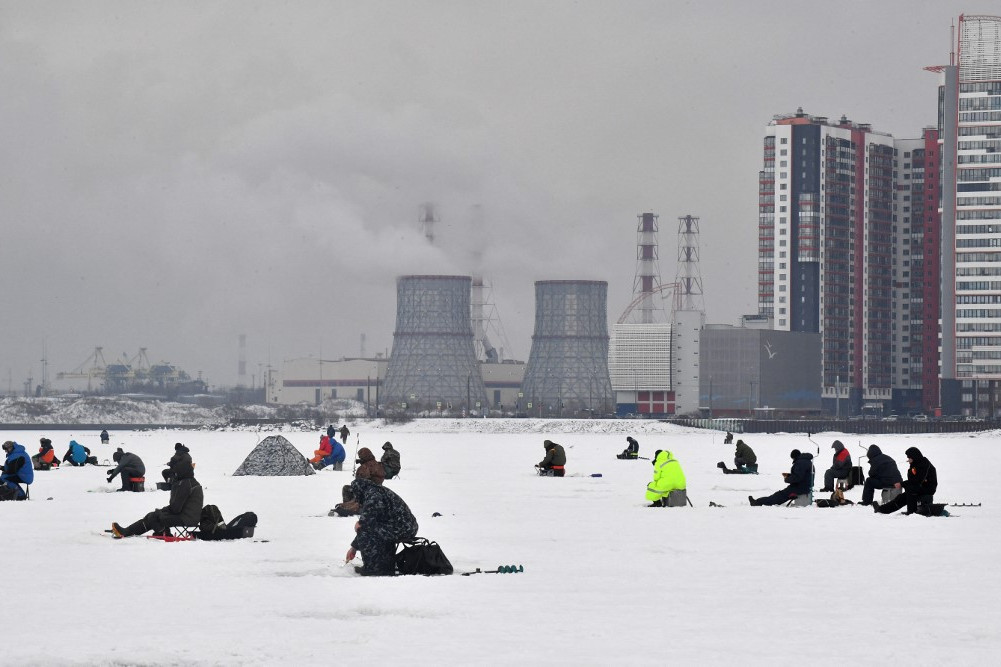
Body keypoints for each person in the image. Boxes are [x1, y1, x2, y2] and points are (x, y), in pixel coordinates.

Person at [111, 454, 203, 538]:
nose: (172, 472)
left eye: (174, 469)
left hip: (186, 518)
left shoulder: (184, 484)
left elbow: (175, 509)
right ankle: (128, 531)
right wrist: (163, 510)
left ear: (180, 469)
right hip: (188, 516)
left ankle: (162, 532)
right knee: (153, 516)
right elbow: (176, 507)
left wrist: (161, 512)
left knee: (154, 517)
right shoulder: (188, 481)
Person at [344, 478, 418, 576]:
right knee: (373, 529)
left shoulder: (373, 495)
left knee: (364, 529)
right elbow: (372, 522)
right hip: (402, 527)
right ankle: (385, 566)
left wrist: (354, 544)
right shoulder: (374, 490)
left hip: (403, 528)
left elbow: (366, 523)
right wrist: (353, 548)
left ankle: (373, 568)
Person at [875, 447, 939, 515]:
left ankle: (911, 512)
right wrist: (912, 466)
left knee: (910, 489)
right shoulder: (916, 464)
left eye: (909, 458)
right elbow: (912, 479)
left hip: (928, 488)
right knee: (901, 497)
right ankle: (882, 509)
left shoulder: (924, 464)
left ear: (914, 457)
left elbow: (917, 481)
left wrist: (901, 484)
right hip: (919, 487)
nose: (908, 460)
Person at [332, 447, 386, 516]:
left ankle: (349, 506)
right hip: (378, 490)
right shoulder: (379, 464)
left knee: (346, 488)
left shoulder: (364, 467)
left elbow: (358, 483)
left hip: (365, 492)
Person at [749, 449, 814, 506]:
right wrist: (790, 476)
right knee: (780, 494)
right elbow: (801, 475)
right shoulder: (806, 461)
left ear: (794, 457)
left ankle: (758, 502)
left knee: (779, 496)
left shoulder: (800, 463)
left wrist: (787, 478)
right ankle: (759, 501)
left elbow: (797, 477)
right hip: (803, 486)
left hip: (800, 488)